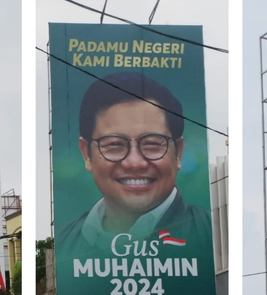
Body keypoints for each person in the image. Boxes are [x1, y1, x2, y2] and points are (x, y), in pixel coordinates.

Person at [57, 71, 212, 256]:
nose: (134, 162)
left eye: (152, 144)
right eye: (115, 145)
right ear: (86, 154)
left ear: (178, 152)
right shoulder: (64, 245)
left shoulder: (212, 235)